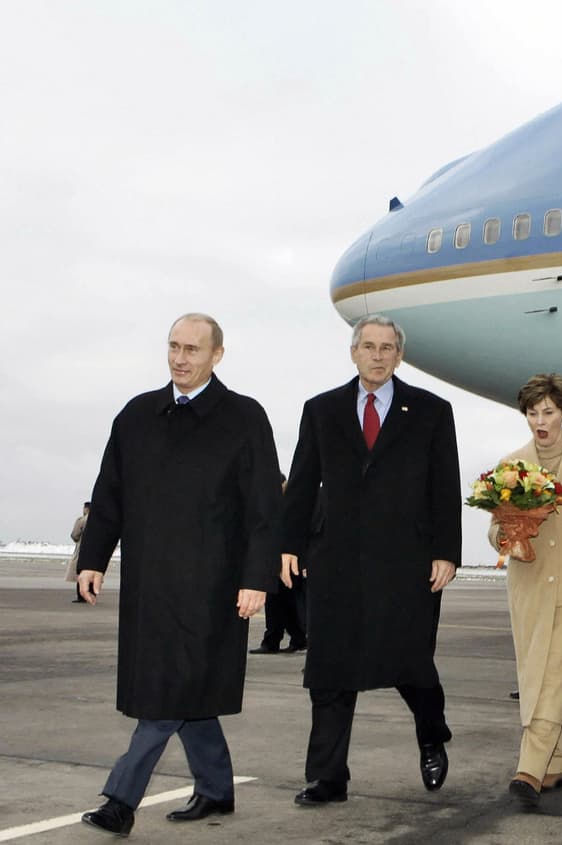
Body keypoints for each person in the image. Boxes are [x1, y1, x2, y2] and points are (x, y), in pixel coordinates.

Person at [77, 314, 282, 836]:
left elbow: (264, 508)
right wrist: (93, 559)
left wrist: (256, 578)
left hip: (214, 586)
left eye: (192, 349)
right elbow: (110, 494)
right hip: (150, 584)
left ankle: (121, 800)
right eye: (173, 346)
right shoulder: (138, 414)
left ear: (217, 355)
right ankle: (215, 790)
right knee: (187, 691)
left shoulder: (244, 418)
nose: (180, 358)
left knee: (169, 694)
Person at [281, 314, 461, 806]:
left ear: (398, 356)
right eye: (369, 346)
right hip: (335, 558)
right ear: (353, 352)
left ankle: (431, 734)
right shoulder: (321, 410)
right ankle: (328, 776)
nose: (378, 355)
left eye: (387, 348)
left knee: (411, 663)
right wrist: (289, 543)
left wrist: (447, 551)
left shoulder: (429, 410)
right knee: (330, 667)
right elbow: (301, 481)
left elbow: (444, 486)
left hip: (407, 560)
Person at [488, 374, 562, 808]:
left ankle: (530, 768)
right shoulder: (511, 463)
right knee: (535, 672)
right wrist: (510, 532)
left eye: (548, 412)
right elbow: (495, 530)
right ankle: (555, 764)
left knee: (558, 673)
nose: (540, 421)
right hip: (528, 583)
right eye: (533, 413)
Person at [252, 475, 307, 654]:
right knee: (281, 604)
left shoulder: (288, 506)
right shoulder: (276, 506)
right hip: (277, 562)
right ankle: (281, 639)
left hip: (287, 562)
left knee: (286, 604)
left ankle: (286, 639)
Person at [64, 502, 90, 603]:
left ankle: (82, 596)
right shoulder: (99, 520)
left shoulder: (82, 520)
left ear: (86, 508)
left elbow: (75, 534)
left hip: (82, 549)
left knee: (81, 573)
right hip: (94, 551)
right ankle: (91, 594)